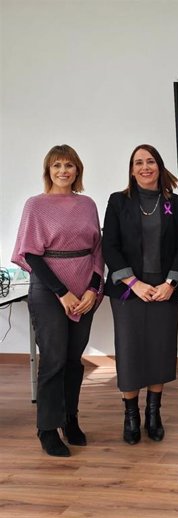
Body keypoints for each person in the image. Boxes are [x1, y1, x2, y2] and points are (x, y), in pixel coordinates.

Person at [12, 144, 104, 457]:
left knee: (72, 360)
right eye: (57, 166)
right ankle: (47, 428)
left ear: (78, 170)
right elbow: (31, 254)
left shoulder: (88, 204)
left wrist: (92, 289)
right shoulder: (35, 205)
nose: (63, 171)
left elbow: (97, 251)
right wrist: (62, 293)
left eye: (69, 165)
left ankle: (70, 419)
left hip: (85, 291)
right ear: (48, 171)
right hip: (49, 291)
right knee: (52, 360)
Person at [102, 144, 178, 445]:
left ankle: (154, 413)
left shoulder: (174, 203)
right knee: (129, 351)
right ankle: (131, 415)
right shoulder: (118, 202)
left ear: (159, 166)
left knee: (160, 349)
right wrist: (132, 283)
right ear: (131, 169)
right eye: (138, 162)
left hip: (164, 288)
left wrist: (171, 284)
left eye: (150, 161)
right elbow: (109, 246)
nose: (145, 167)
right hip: (129, 290)